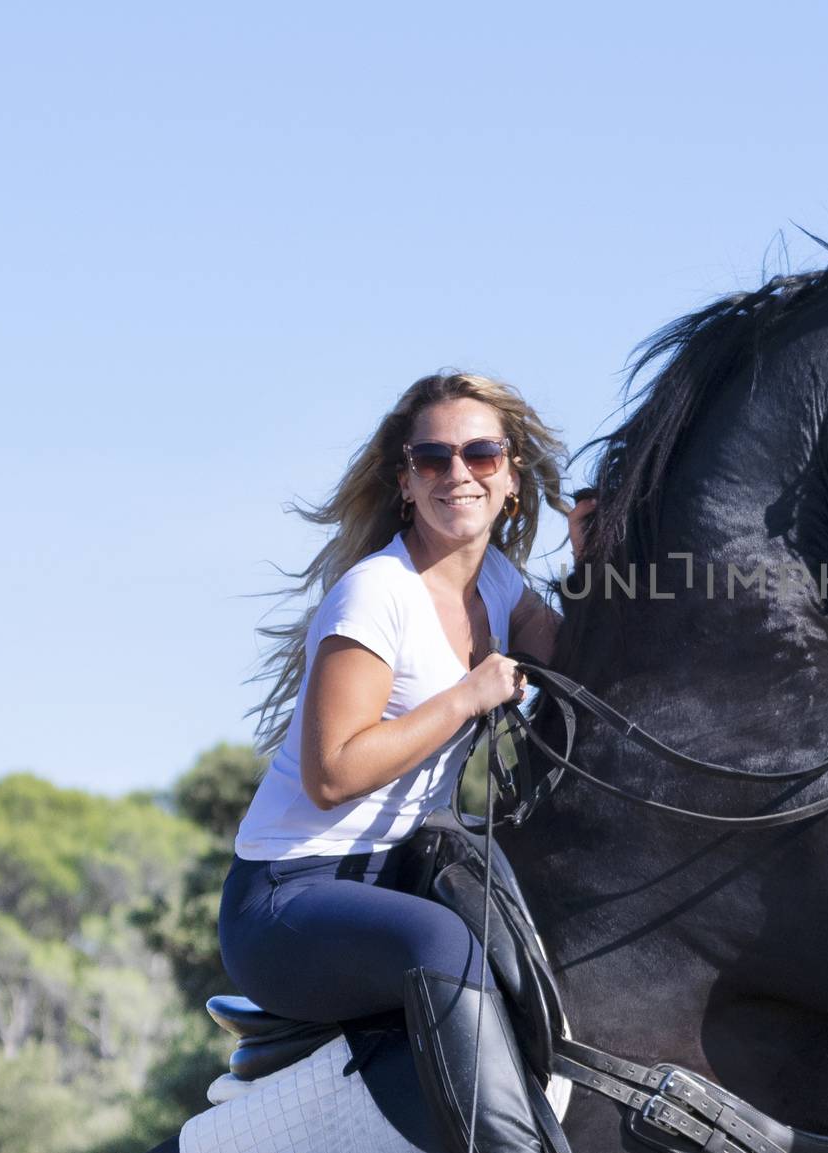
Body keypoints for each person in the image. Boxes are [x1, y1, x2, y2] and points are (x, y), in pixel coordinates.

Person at [222, 372, 592, 1153]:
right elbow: (332, 774)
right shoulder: (375, 595)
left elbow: (581, 668)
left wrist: (592, 570)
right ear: (406, 483)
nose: (458, 472)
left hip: (386, 877)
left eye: (481, 453)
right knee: (444, 944)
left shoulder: (496, 581)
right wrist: (466, 696)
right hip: (287, 899)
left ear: (512, 477)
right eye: (433, 459)